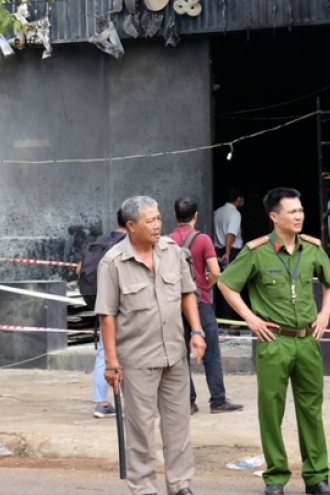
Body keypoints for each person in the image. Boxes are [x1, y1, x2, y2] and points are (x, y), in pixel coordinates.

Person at [218, 187, 330, 495]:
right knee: (271, 409)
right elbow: (226, 284)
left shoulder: (312, 248)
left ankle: (317, 477)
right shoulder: (257, 251)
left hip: (307, 340)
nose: (299, 216)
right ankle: (275, 476)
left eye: (300, 211)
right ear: (275, 217)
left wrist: (325, 313)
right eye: (292, 212)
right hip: (275, 341)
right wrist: (250, 318)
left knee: (311, 409)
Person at [95, 196, 207, 495]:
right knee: (141, 430)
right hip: (137, 360)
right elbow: (107, 315)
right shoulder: (113, 262)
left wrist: (196, 331)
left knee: (178, 426)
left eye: (158, 218)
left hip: (174, 354)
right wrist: (111, 362)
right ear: (131, 226)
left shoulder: (172, 251)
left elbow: (187, 293)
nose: (157, 225)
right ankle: (144, 488)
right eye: (150, 221)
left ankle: (180, 485)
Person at [170, 196, 244, 415]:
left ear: (175, 216)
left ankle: (188, 401)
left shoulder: (167, 241)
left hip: (176, 305)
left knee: (181, 355)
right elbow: (216, 271)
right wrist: (204, 285)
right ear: (196, 216)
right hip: (201, 302)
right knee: (211, 353)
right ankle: (218, 400)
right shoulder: (203, 240)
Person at [75, 208, 127, 419]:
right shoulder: (128, 243)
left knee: (104, 350)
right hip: (122, 301)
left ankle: (102, 402)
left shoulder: (102, 240)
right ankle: (134, 403)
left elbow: (79, 269)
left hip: (100, 301)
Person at [213, 188, 245, 322]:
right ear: (238, 199)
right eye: (242, 198)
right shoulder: (235, 214)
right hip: (230, 252)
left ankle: (221, 315)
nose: (243, 201)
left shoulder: (217, 212)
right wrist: (228, 252)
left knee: (219, 283)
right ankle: (229, 319)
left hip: (217, 251)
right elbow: (230, 234)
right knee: (232, 284)